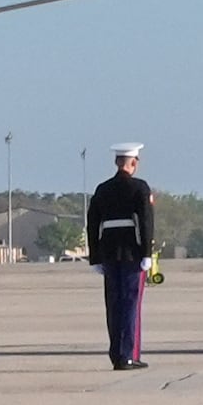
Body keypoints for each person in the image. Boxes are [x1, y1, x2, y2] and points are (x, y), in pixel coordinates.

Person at [87, 144, 157, 371]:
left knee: (113, 305)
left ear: (117, 162)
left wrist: (95, 256)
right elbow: (146, 222)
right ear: (134, 163)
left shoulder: (102, 189)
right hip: (131, 253)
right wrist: (146, 253)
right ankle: (127, 354)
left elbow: (92, 225)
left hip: (108, 252)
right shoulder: (139, 188)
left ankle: (117, 354)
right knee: (130, 305)